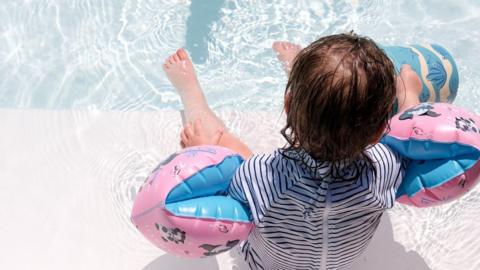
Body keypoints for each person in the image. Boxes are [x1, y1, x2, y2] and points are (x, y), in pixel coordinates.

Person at [163, 33, 422, 270]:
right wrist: (409, 93)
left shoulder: (259, 173)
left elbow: (222, 192)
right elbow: (411, 133)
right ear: (379, 131)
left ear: (287, 105)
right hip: (340, 263)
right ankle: (304, 78)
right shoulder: (387, 167)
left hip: (261, 265)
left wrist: (202, 150)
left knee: (224, 144)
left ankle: (191, 95)